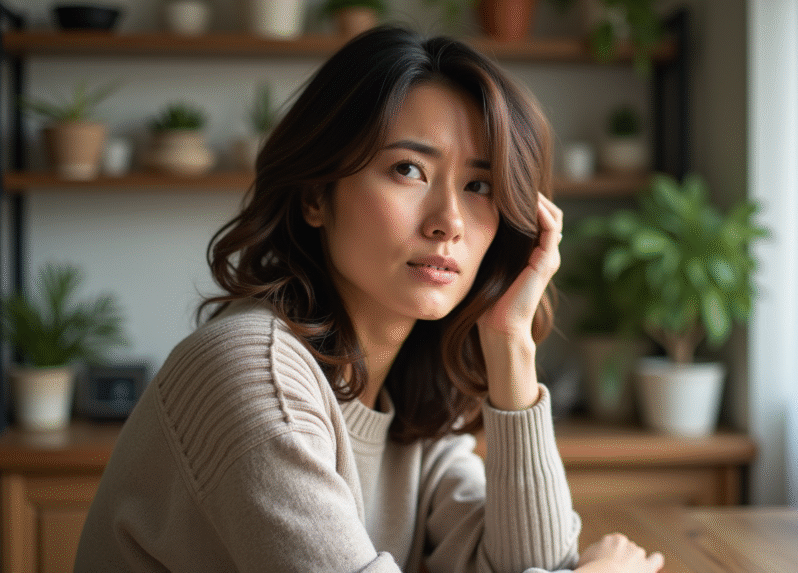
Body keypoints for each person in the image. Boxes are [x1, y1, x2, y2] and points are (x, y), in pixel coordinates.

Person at [75, 26, 664, 573]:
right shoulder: (253, 374)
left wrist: (511, 346)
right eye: (407, 169)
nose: (449, 222)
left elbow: (527, 563)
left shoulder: (411, 398)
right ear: (315, 196)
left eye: (479, 186)